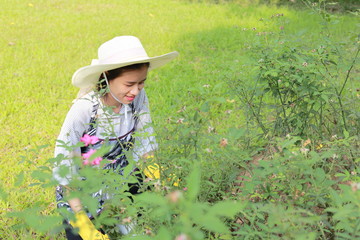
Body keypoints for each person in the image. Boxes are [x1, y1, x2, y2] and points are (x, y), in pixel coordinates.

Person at [52, 36, 178, 239]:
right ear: (107, 76)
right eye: (129, 84)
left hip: (120, 176)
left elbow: (145, 140)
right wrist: (82, 221)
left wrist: (156, 177)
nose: (136, 90)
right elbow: (65, 165)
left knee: (140, 222)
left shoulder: (137, 99)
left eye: (141, 83)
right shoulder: (85, 109)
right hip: (82, 187)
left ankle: (124, 216)